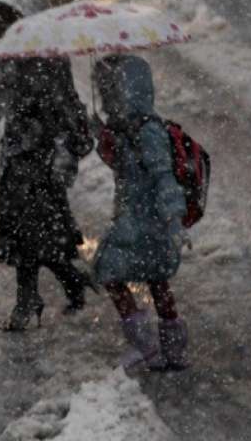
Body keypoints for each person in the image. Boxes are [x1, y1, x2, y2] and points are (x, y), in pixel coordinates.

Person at [0, 0, 96, 331]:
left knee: (30, 233)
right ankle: (70, 281)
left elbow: (65, 107)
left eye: (8, 22)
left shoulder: (48, 58)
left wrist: (66, 148)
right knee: (30, 232)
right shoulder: (9, 60)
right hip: (18, 157)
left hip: (43, 161)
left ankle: (28, 300)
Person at [92, 53, 190, 371]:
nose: (107, 98)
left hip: (143, 220)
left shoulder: (147, 129)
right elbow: (125, 169)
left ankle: (147, 345)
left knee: (111, 272)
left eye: (109, 90)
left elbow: (163, 175)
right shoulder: (126, 128)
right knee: (155, 278)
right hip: (136, 217)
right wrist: (104, 139)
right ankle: (170, 350)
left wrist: (174, 217)